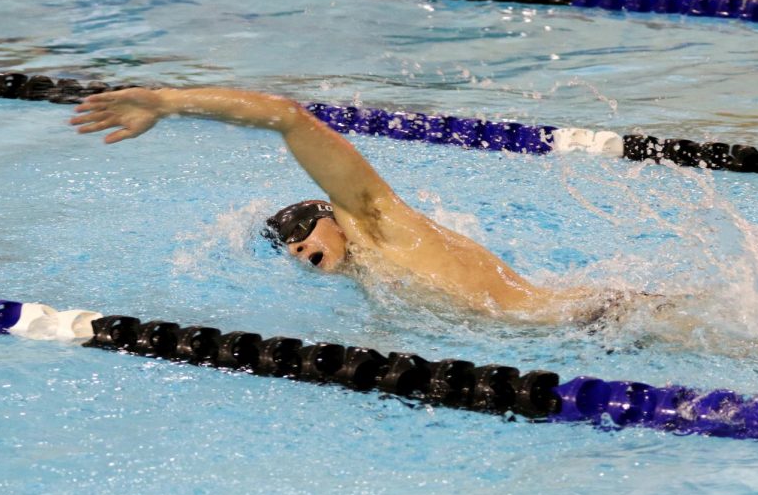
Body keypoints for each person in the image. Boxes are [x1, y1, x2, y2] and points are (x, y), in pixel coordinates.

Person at [69, 87, 647, 326]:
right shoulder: (369, 275)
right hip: (581, 330)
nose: (298, 248)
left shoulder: (375, 220)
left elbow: (287, 117)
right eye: (289, 246)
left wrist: (169, 103)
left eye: (302, 230)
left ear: (331, 214)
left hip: (603, 316)